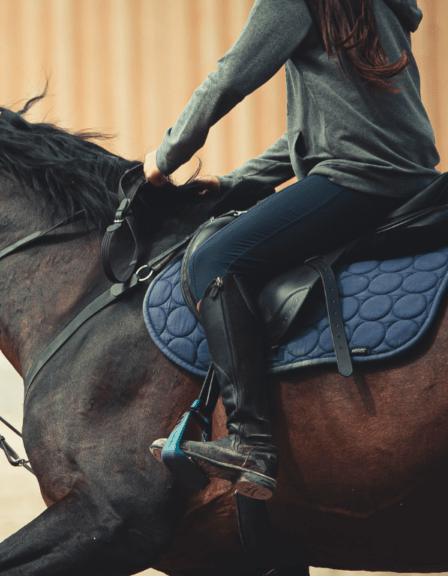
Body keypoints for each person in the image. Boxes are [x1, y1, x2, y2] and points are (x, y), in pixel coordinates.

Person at [144, 0, 440, 500]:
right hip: (405, 178)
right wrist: (236, 182)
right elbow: (331, 127)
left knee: (215, 259)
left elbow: (230, 77)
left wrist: (166, 155)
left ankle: (250, 443)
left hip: (357, 180)